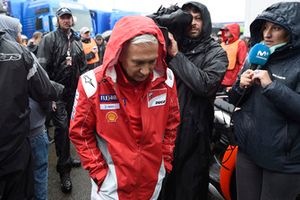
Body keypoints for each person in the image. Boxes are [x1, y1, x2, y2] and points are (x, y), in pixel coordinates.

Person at [69, 15, 180, 200]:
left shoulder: (166, 79)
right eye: (137, 62)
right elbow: (79, 132)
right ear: (119, 55)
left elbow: (172, 124)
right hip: (110, 189)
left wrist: (165, 162)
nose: (145, 70)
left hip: (152, 184)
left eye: (151, 61)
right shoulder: (91, 84)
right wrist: (100, 173)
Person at [228, 2, 300, 200]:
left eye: (275, 28)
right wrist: (239, 86)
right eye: (265, 27)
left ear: (292, 31)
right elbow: (234, 99)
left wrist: (272, 87)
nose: (267, 34)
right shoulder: (255, 57)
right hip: (248, 152)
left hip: (283, 161)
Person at [160, 2, 228, 200]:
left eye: (198, 18)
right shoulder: (170, 43)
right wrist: (167, 16)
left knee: (189, 189)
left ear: (205, 21)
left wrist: (176, 55)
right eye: (188, 18)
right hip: (165, 131)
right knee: (163, 188)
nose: (193, 23)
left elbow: (205, 85)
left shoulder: (216, 52)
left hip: (195, 135)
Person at [0, 15, 60, 200]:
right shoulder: (21, 53)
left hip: (19, 137)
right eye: (18, 32)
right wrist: (60, 93)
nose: (21, 35)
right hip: (24, 137)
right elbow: (44, 89)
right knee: (36, 178)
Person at [37, 7, 86, 193]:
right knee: (62, 128)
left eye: (68, 17)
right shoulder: (49, 39)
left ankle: (66, 158)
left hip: (74, 93)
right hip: (56, 93)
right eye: (62, 17)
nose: (66, 20)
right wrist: (48, 96)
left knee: (71, 128)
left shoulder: (76, 39)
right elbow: (41, 70)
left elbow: (81, 67)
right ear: (57, 20)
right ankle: (63, 171)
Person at [220, 23, 248, 90]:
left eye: (227, 30)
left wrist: (239, 80)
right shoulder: (222, 44)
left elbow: (242, 63)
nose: (225, 31)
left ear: (233, 31)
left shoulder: (240, 44)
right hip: (219, 79)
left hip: (232, 81)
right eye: (224, 30)